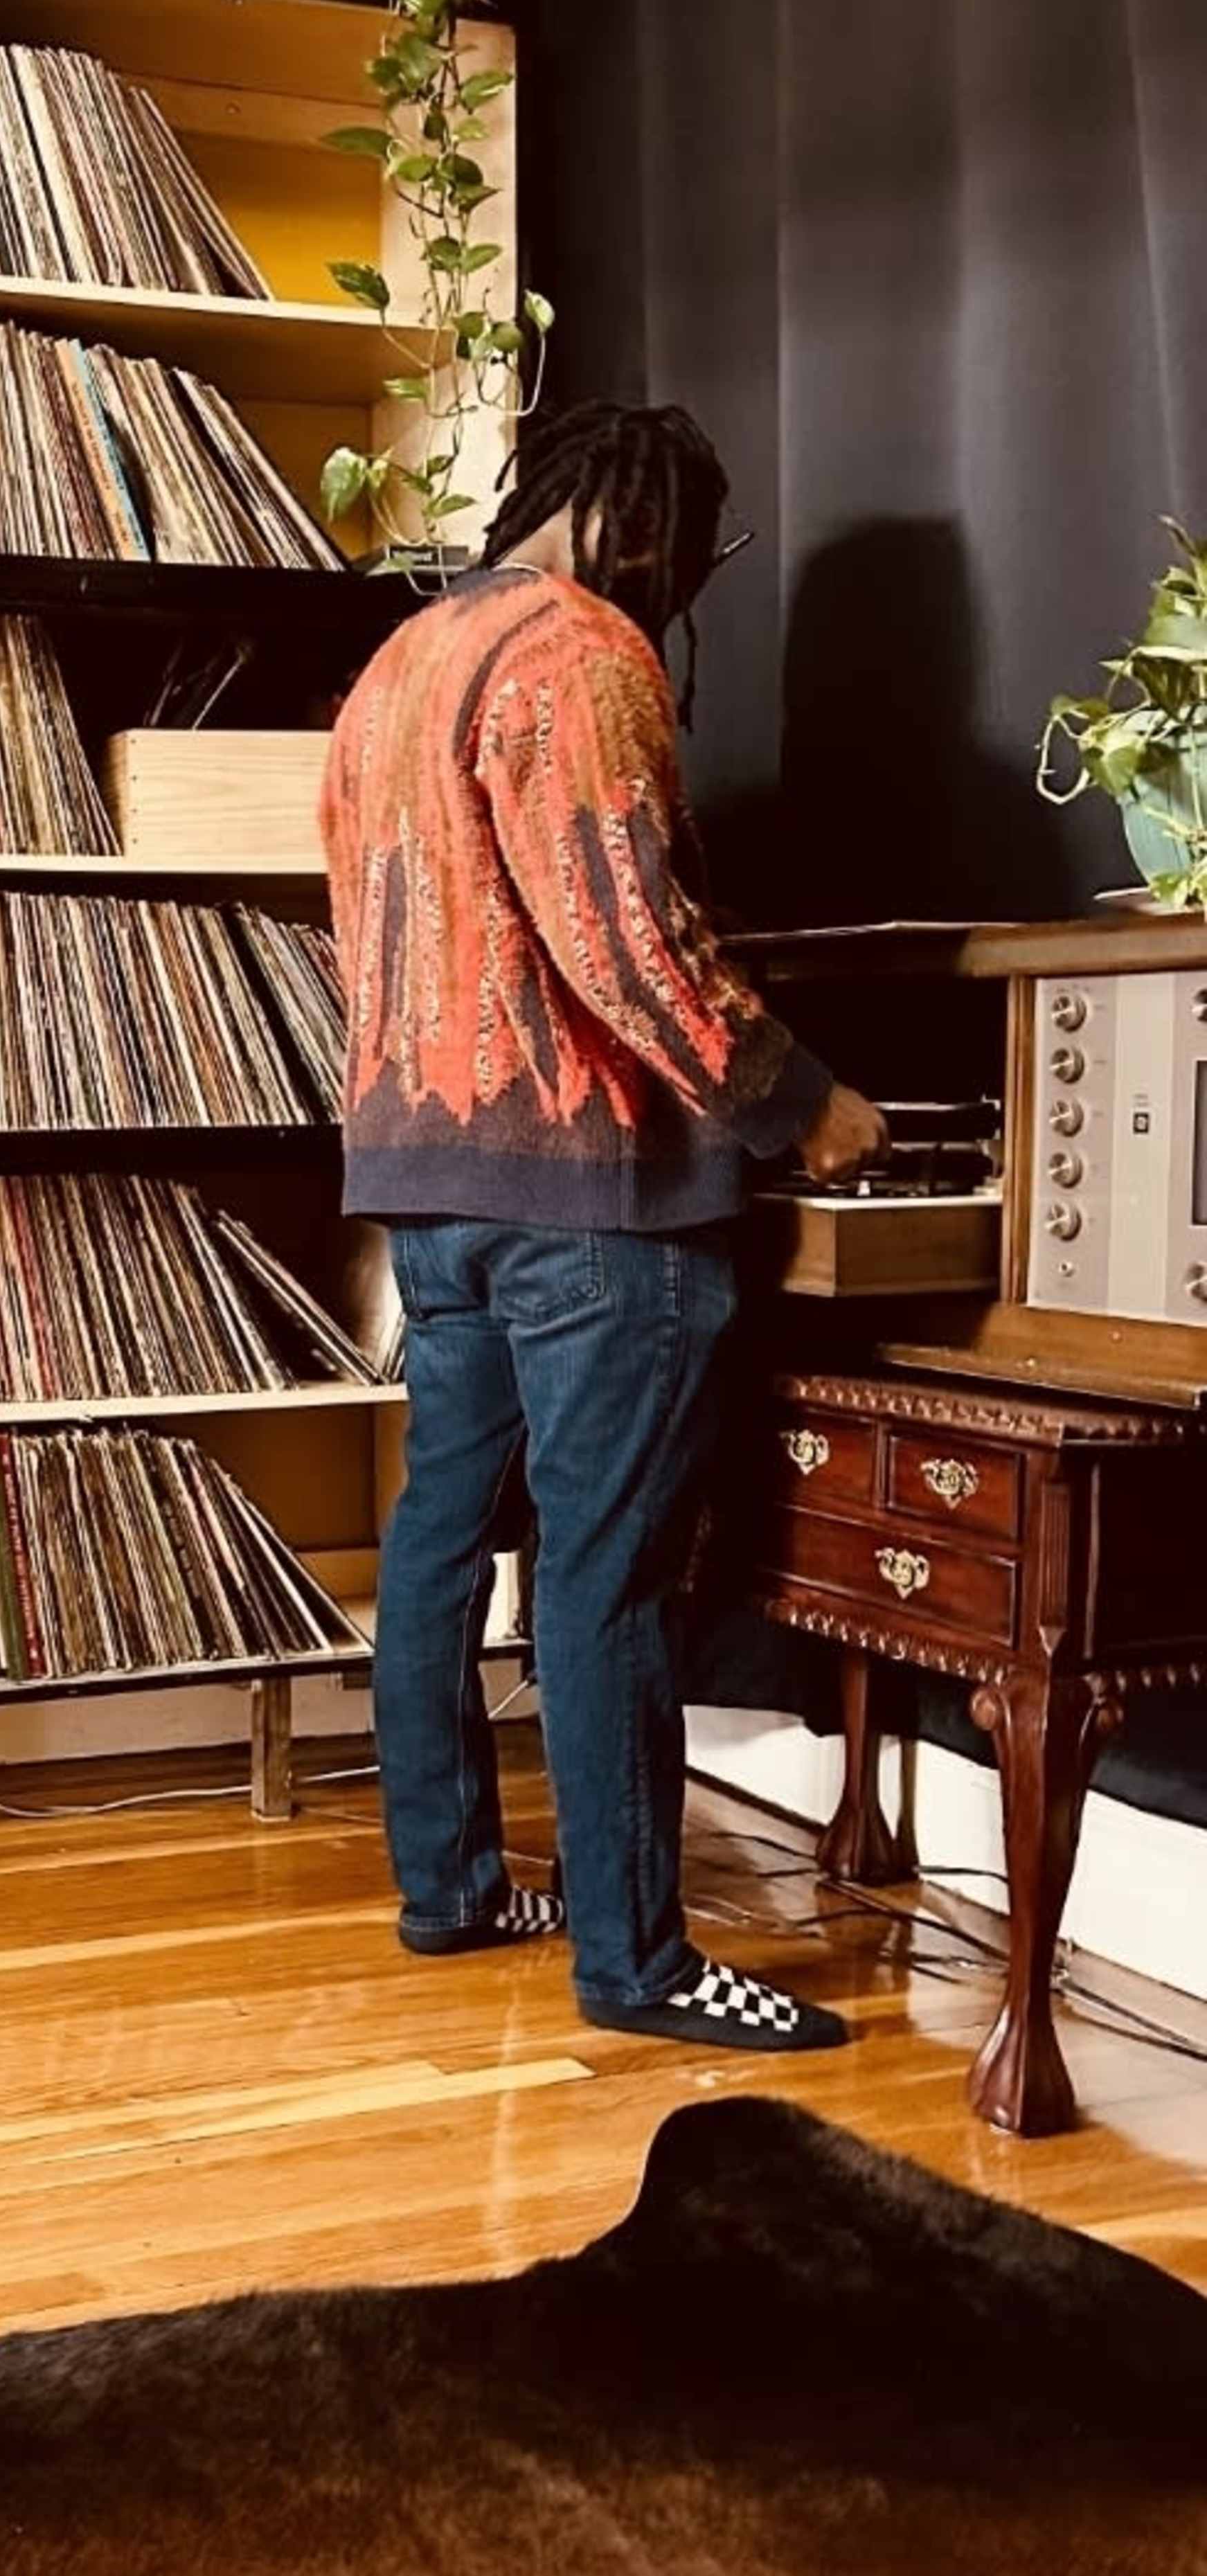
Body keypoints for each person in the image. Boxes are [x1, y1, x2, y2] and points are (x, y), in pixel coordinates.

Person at [317, 402, 887, 2053]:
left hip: (429, 1182)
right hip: (588, 1202)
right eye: (688, 554)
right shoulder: (576, 655)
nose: (679, 596)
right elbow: (628, 936)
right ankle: (640, 1963)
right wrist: (804, 1108)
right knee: (610, 1574)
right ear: (628, 522)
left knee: (441, 1541)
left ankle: (454, 1888)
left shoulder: (399, 663)